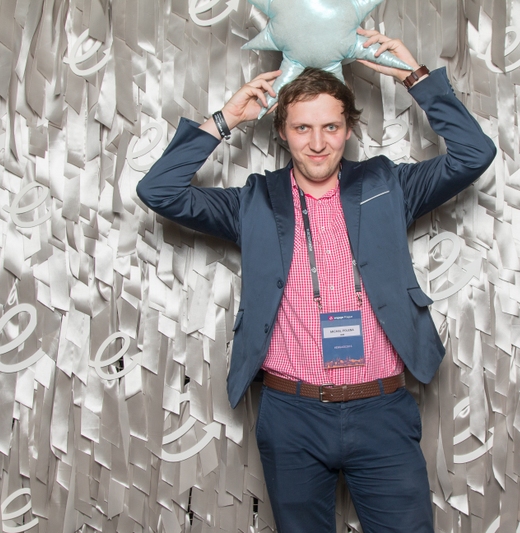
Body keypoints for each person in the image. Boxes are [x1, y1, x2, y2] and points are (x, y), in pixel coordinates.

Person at [137, 29, 496, 533]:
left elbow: (473, 154)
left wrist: (417, 78)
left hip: (382, 410)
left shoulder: (387, 184)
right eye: (302, 128)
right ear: (282, 132)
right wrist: (226, 119)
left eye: (331, 126)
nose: (318, 142)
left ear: (348, 129)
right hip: (292, 415)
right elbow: (159, 191)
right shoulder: (253, 201)